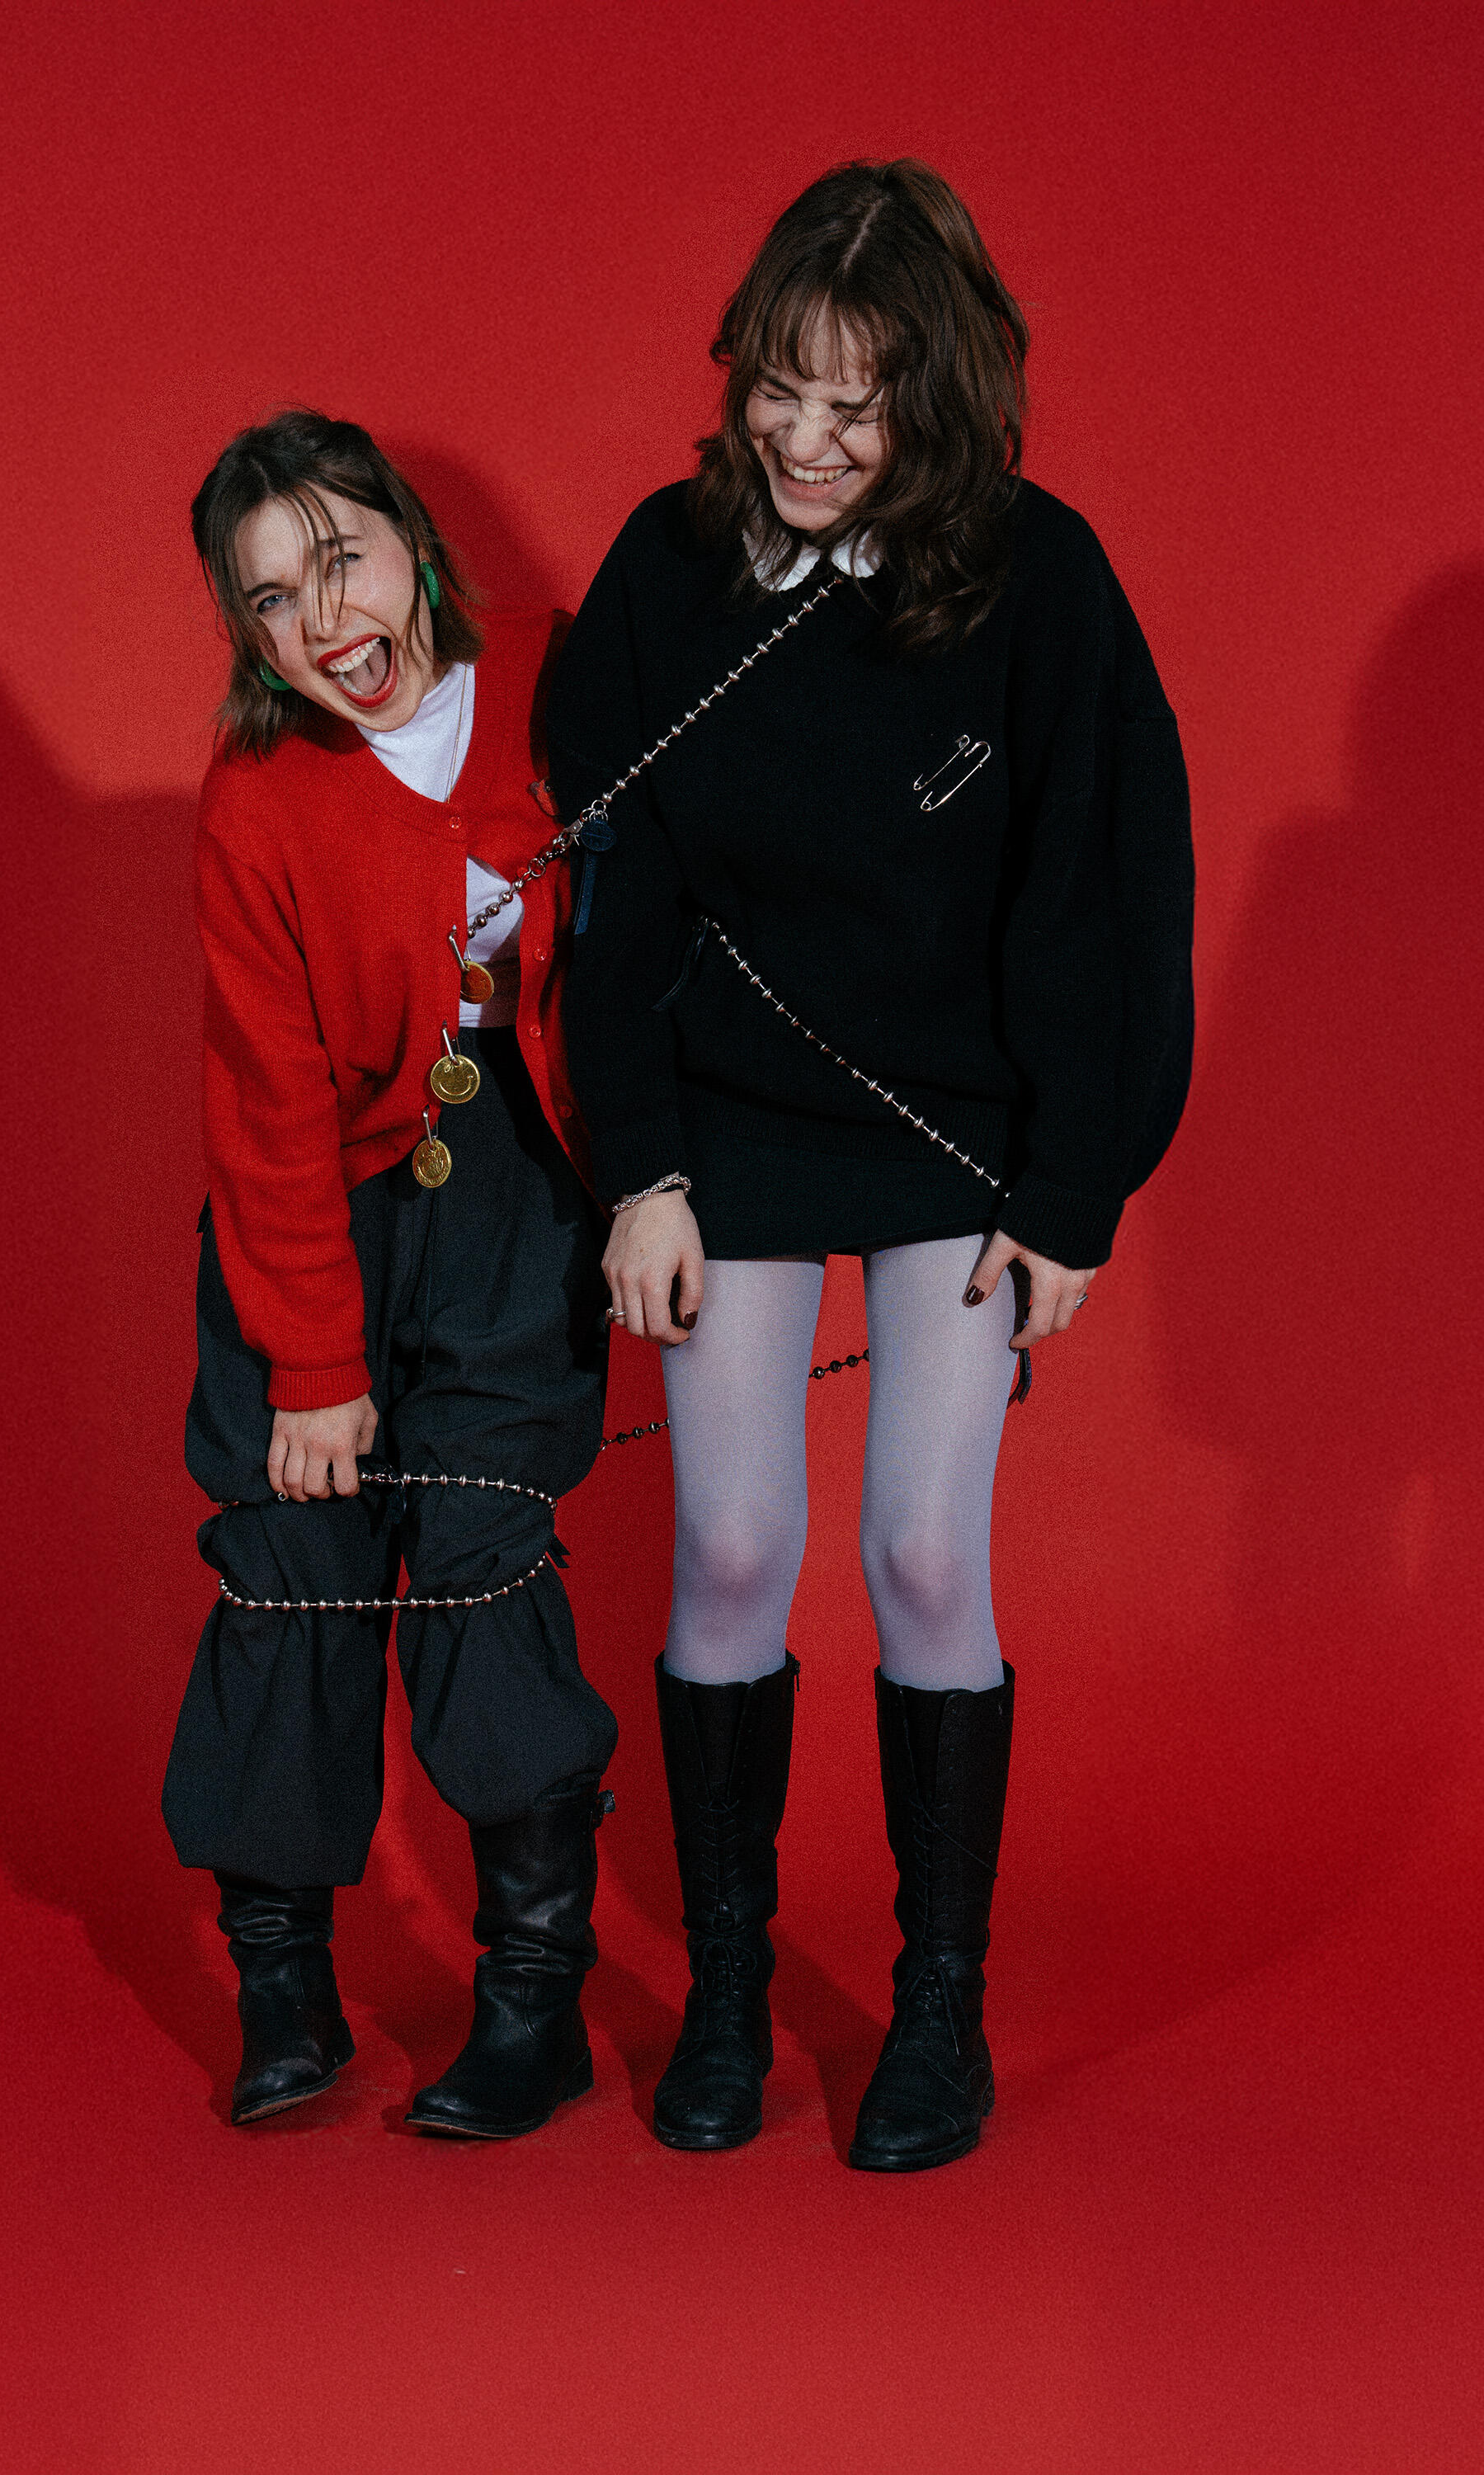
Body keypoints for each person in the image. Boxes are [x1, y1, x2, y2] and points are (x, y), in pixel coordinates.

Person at [548, 161, 1193, 2171]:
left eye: (861, 406)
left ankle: (935, 2013)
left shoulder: (1039, 578)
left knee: (924, 1550)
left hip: (957, 1136)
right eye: (780, 393)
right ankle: (730, 1993)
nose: (811, 445)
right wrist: (637, 1165)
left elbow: (1101, 894)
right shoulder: (668, 570)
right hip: (726, 1124)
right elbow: (614, 880)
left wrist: (1071, 1189)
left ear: (944, 399)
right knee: (730, 1547)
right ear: (737, 377)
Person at [163, 410, 617, 2135]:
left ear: (412, 540)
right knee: (295, 1565)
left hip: (511, 1197)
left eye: (338, 554)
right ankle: (286, 1997)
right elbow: (264, 1100)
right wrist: (307, 1365)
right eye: (269, 600)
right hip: (316, 1214)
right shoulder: (256, 799)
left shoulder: (560, 703)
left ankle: (531, 2003)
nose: (322, 619)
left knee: (484, 1568)